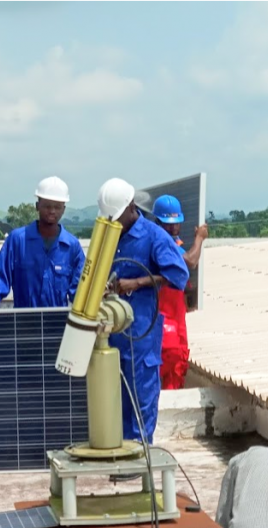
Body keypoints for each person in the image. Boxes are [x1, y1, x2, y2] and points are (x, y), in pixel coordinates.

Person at [96, 178, 189, 475]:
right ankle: (119, 457)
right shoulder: (108, 234)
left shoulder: (154, 236)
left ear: (132, 207)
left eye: (118, 216)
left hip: (142, 333)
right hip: (111, 334)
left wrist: (136, 282)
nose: (114, 221)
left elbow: (179, 274)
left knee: (141, 397)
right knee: (114, 398)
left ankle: (138, 460)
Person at [0, 176, 86, 322]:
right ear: (37, 206)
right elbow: (0, 275)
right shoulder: (18, 240)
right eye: (47, 206)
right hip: (23, 324)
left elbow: (80, 291)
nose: (52, 211)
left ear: (64, 209)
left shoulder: (72, 247)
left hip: (58, 325)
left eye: (57, 207)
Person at [150, 195, 208, 390]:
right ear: (158, 222)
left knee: (178, 363)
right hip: (164, 317)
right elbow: (190, 261)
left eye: (176, 223)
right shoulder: (159, 245)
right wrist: (200, 238)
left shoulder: (174, 243)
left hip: (177, 316)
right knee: (169, 356)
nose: (174, 228)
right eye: (169, 224)